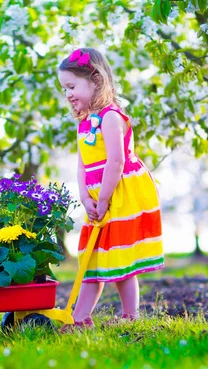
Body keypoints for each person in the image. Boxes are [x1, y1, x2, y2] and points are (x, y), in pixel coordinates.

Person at [57, 48, 164, 332]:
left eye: (71, 86)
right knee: (91, 256)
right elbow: (82, 166)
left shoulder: (110, 117)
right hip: (98, 198)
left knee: (118, 255)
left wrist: (104, 198)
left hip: (120, 194)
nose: (67, 94)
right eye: (64, 88)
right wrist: (85, 197)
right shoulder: (84, 122)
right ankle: (80, 318)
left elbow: (116, 162)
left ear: (96, 79)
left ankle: (130, 315)